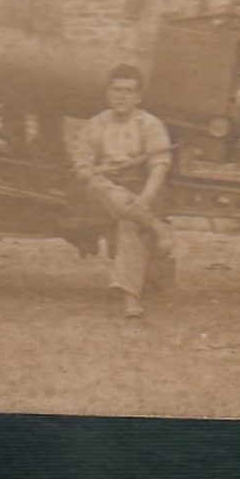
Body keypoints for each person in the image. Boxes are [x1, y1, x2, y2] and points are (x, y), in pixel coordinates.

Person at [68, 65, 176, 318]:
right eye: (117, 90)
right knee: (96, 186)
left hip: (139, 186)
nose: (121, 96)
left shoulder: (149, 124)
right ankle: (158, 229)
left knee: (128, 221)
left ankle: (131, 300)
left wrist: (146, 198)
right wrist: (95, 169)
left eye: (128, 91)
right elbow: (83, 163)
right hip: (102, 190)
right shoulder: (97, 124)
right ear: (108, 94)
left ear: (138, 97)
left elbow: (159, 167)